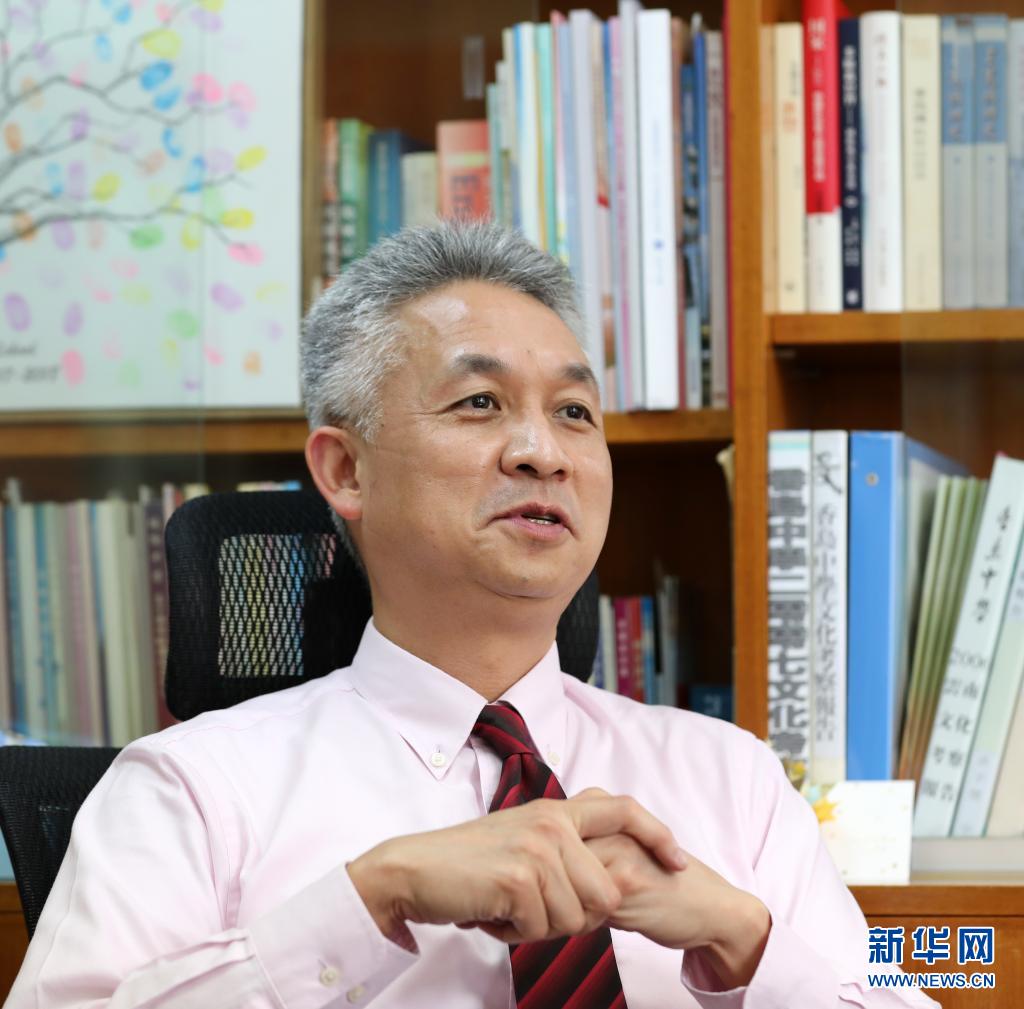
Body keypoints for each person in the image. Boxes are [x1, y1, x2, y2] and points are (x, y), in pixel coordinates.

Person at [6, 222, 937, 1009]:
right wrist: (372, 898)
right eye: (481, 402)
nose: (543, 451)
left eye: (575, 412)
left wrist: (746, 939)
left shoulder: (731, 777)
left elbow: (909, 983)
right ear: (345, 469)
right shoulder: (191, 789)